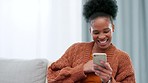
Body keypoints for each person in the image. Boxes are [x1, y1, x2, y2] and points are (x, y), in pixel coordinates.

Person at [47, 0, 136, 83]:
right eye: (96, 32)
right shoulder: (75, 50)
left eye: (106, 31)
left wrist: (109, 80)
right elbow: (52, 77)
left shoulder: (123, 58)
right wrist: (82, 69)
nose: (101, 37)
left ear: (113, 28)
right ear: (90, 31)